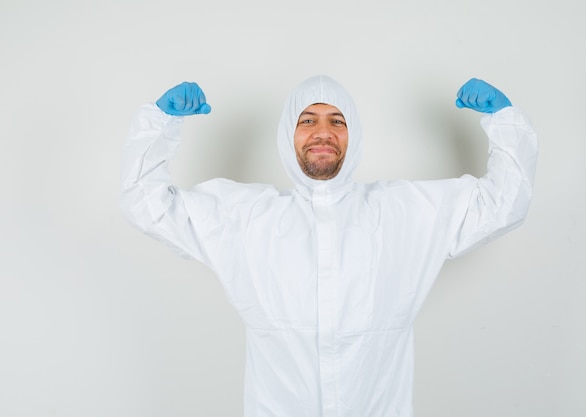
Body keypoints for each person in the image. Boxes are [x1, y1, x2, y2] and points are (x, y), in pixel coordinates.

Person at [120, 75, 538, 417]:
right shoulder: (246, 218)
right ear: (289, 135)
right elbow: (149, 205)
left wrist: (505, 123)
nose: (323, 133)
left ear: (353, 134)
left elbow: (501, 205)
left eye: (337, 121)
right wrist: (159, 125)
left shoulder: (403, 212)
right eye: (308, 120)